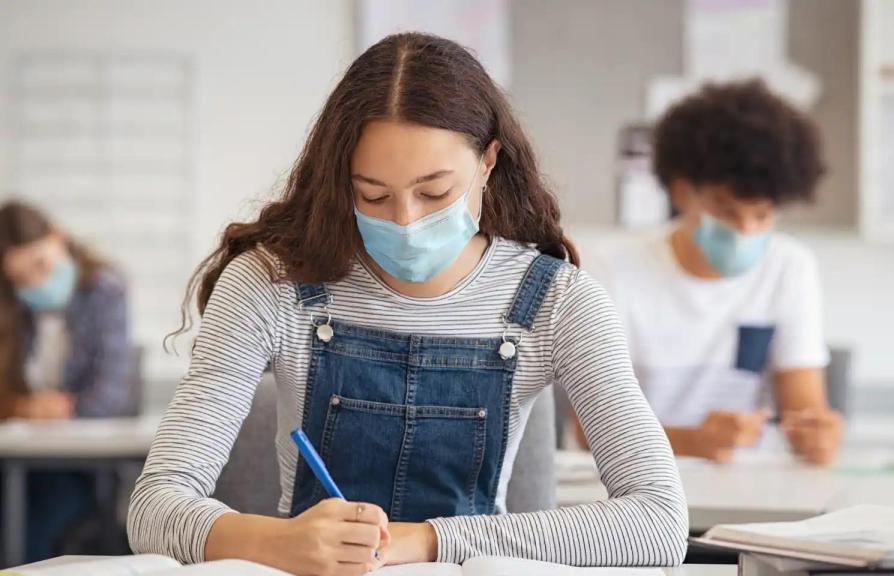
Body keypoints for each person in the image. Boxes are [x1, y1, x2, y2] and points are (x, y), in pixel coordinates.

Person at [127, 33, 687, 575]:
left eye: (434, 193)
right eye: (372, 195)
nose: (405, 221)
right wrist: (278, 542)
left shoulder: (560, 302)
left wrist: (425, 540)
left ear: (488, 162)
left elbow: (658, 521)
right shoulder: (269, 284)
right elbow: (154, 508)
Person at [585, 80, 843, 466]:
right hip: (637, 483)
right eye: (726, 211)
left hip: (750, 485)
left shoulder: (789, 267)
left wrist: (817, 437)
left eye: (762, 215)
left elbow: (804, 411)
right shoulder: (611, 269)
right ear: (681, 192)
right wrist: (692, 442)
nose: (746, 231)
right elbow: (588, 430)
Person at [0, 200, 134, 561]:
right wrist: (23, 407)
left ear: (57, 238)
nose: (35, 283)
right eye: (20, 279)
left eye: (40, 265)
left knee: (33, 527)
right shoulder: (11, 308)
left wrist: (63, 408)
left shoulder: (105, 290)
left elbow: (113, 392)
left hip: (77, 466)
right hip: (16, 459)